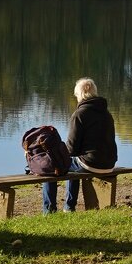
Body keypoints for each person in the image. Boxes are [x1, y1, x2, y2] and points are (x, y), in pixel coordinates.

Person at [42, 77, 118, 214]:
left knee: (52, 166)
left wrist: (55, 154)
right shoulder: (106, 113)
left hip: (92, 164)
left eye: (76, 95)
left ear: (80, 95)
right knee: (74, 163)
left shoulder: (80, 114)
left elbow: (71, 148)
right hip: (109, 164)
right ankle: (68, 208)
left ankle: (50, 210)